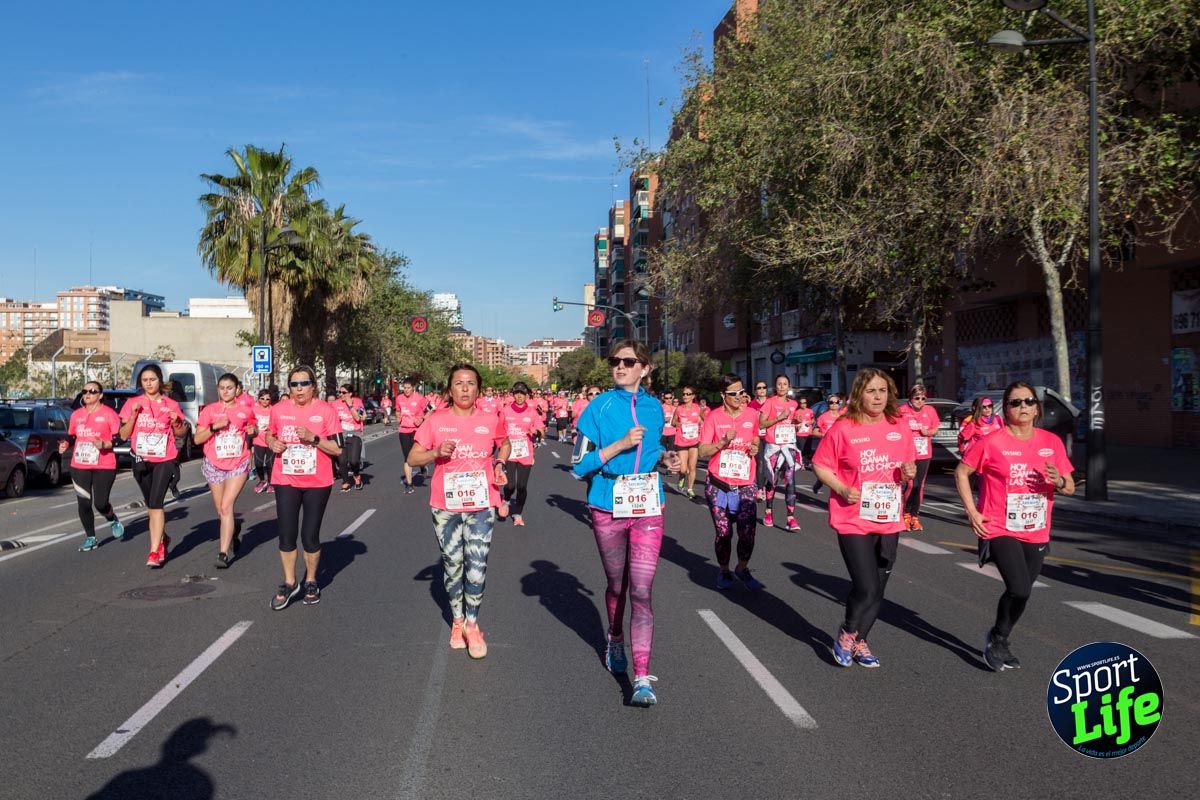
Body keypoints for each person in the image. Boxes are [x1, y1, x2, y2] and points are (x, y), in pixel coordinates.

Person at [572, 340, 676, 707]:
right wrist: (617, 446)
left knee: (642, 591)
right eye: (615, 361)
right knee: (617, 585)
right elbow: (578, 465)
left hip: (648, 503)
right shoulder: (597, 408)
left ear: (645, 368)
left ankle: (642, 677)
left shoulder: (655, 408)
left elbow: (655, 451)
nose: (619, 367)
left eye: (628, 362)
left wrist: (667, 459)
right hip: (607, 503)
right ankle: (614, 637)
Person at [955, 381, 1074, 671]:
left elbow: (1069, 486)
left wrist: (1058, 480)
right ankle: (998, 637)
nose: (1023, 407)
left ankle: (1000, 637)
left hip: (1036, 528)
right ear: (1005, 409)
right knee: (1018, 587)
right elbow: (962, 471)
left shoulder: (1051, 442)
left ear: (1037, 408)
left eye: (1029, 402)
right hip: (999, 526)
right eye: (1015, 402)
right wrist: (972, 511)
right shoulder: (992, 442)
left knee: (1024, 592)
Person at [812, 369, 916, 668]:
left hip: (888, 518)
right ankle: (847, 632)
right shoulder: (844, 428)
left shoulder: (899, 426)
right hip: (853, 518)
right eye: (871, 391)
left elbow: (908, 467)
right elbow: (820, 465)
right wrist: (842, 488)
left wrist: (909, 472)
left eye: (883, 391)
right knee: (867, 585)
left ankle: (860, 641)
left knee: (879, 589)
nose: (878, 396)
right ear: (860, 394)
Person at [408, 364, 510, 659]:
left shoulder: (491, 419)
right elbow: (413, 457)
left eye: (470, 383)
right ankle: (457, 621)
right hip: (445, 505)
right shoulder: (436, 420)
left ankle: (474, 625)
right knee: (453, 565)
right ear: (449, 390)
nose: (465, 388)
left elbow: (504, 444)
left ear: (478, 389)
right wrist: (435, 453)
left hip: (481, 502)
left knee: (476, 564)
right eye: (458, 383)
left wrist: (500, 463)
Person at [265, 366, 343, 610]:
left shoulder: (326, 411)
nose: (299, 388)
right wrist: (273, 443)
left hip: (317, 481)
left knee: (309, 535)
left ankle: (310, 580)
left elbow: (339, 449)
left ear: (314, 386)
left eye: (304, 383)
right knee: (286, 533)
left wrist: (314, 438)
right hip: (285, 478)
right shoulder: (278, 410)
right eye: (294, 384)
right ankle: (290, 583)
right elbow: (268, 434)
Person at [120, 364, 188, 568]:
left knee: (157, 503)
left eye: (152, 379)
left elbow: (181, 433)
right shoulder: (133, 403)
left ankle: (154, 550)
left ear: (160, 380)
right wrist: (133, 416)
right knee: (151, 505)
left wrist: (176, 423)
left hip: (165, 459)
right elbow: (123, 435)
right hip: (141, 459)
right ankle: (163, 538)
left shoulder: (171, 404)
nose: (149, 383)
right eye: (145, 380)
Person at [698, 374, 762, 590]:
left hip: (745, 483)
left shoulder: (752, 414)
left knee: (747, 532)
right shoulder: (713, 417)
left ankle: (742, 568)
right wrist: (723, 442)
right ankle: (724, 570)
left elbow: (755, 437)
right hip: (718, 484)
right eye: (733, 393)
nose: (739, 397)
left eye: (741, 392)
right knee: (723, 532)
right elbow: (703, 450)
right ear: (723, 395)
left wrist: (755, 446)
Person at [194, 373, 257, 568]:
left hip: (238, 463)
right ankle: (234, 529)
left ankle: (223, 553)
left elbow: (254, 428)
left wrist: (252, 431)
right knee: (220, 510)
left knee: (226, 507)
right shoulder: (209, 411)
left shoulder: (245, 410)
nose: (225, 391)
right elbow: (197, 439)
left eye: (229, 387)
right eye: (222, 388)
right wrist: (214, 427)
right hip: (214, 463)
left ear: (237, 389)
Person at [60, 381, 124, 551]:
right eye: (84, 391)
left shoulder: (109, 414)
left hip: (104, 464)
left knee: (101, 503)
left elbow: (120, 438)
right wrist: (66, 443)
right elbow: (72, 435)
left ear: (100, 395)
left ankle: (112, 518)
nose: (87, 394)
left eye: (92, 391)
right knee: (84, 503)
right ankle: (91, 537)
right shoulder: (76, 415)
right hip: (80, 464)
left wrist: (106, 444)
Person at [498, 381, 544, 526]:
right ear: (513, 395)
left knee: (522, 487)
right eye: (516, 393)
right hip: (509, 452)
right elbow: (498, 430)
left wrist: (536, 431)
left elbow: (542, 431)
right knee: (510, 485)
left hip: (525, 453)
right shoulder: (506, 410)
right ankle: (506, 500)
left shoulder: (532, 412)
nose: (519, 396)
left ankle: (518, 513)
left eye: (522, 393)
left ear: (526, 395)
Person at [759, 374, 801, 531]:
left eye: (785, 384)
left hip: (789, 446)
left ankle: (791, 518)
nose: (782, 386)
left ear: (789, 386)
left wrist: (796, 423)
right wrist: (779, 418)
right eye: (779, 384)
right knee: (773, 481)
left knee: (790, 481)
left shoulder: (794, 404)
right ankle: (768, 512)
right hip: (774, 448)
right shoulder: (770, 402)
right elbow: (762, 424)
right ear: (775, 386)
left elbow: (792, 424)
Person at [900, 384, 940, 531]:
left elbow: (935, 429)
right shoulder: (902, 411)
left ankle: (914, 516)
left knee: (920, 486)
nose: (920, 401)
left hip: (924, 453)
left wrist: (928, 432)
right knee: (911, 485)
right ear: (910, 398)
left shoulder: (930, 410)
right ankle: (904, 514)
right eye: (917, 398)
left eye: (923, 398)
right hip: (907, 453)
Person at [395, 378, 427, 493]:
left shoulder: (420, 398)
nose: (406, 390)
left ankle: (422, 467)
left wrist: (422, 418)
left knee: (418, 455)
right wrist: (398, 417)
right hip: (403, 430)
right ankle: (409, 484)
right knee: (407, 458)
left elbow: (430, 411)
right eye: (405, 388)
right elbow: (398, 410)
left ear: (413, 387)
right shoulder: (399, 398)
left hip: (416, 430)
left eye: (408, 388)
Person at [670, 385, 703, 497]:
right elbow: (673, 422)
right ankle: (681, 477)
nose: (685, 396)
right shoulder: (679, 408)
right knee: (684, 469)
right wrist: (679, 424)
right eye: (684, 394)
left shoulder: (697, 408)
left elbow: (703, 421)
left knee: (692, 467)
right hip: (682, 441)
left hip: (694, 441)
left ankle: (690, 489)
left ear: (693, 396)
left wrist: (699, 425)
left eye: (688, 394)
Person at [334, 384, 368, 492]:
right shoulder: (335, 404)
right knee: (342, 461)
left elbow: (359, 418)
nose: (341, 395)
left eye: (343, 393)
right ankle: (345, 482)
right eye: (339, 392)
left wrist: (350, 406)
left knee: (353, 461)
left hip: (354, 434)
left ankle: (357, 475)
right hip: (341, 434)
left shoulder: (357, 402)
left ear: (350, 393)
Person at [810, 393, 844, 495]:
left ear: (839, 404)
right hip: (826, 449)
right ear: (828, 404)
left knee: (837, 473)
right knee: (827, 471)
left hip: (840, 448)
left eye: (836, 402)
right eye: (831, 402)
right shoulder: (823, 417)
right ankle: (819, 482)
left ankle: (836, 492)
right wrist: (824, 435)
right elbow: (814, 432)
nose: (834, 404)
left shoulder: (842, 417)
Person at [747, 380, 770, 501]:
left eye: (764, 387)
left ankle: (764, 484)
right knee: (760, 461)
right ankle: (760, 489)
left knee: (769, 463)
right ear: (755, 391)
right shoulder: (751, 405)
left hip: (770, 436)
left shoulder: (771, 403)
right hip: (757, 437)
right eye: (759, 387)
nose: (761, 389)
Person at [251, 389, 275, 493]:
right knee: (258, 463)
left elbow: (277, 423)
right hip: (258, 440)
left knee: (269, 463)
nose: (265, 401)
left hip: (270, 440)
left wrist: (270, 427)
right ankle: (262, 481)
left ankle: (270, 482)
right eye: (262, 398)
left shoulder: (273, 410)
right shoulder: (254, 409)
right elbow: (250, 421)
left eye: (267, 399)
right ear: (259, 399)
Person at [795, 396, 816, 469]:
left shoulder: (810, 411)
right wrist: (797, 423)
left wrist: (809, 423)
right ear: (799, 404)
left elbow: (813, 420)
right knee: (801, 449)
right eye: (801, 403)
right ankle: (801, 463)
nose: (803, 404)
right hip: (800, 434)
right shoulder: (797, 412)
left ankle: (806, 462)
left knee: (807, 449)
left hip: (808, 433)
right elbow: (794, 422)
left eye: (805, 403)